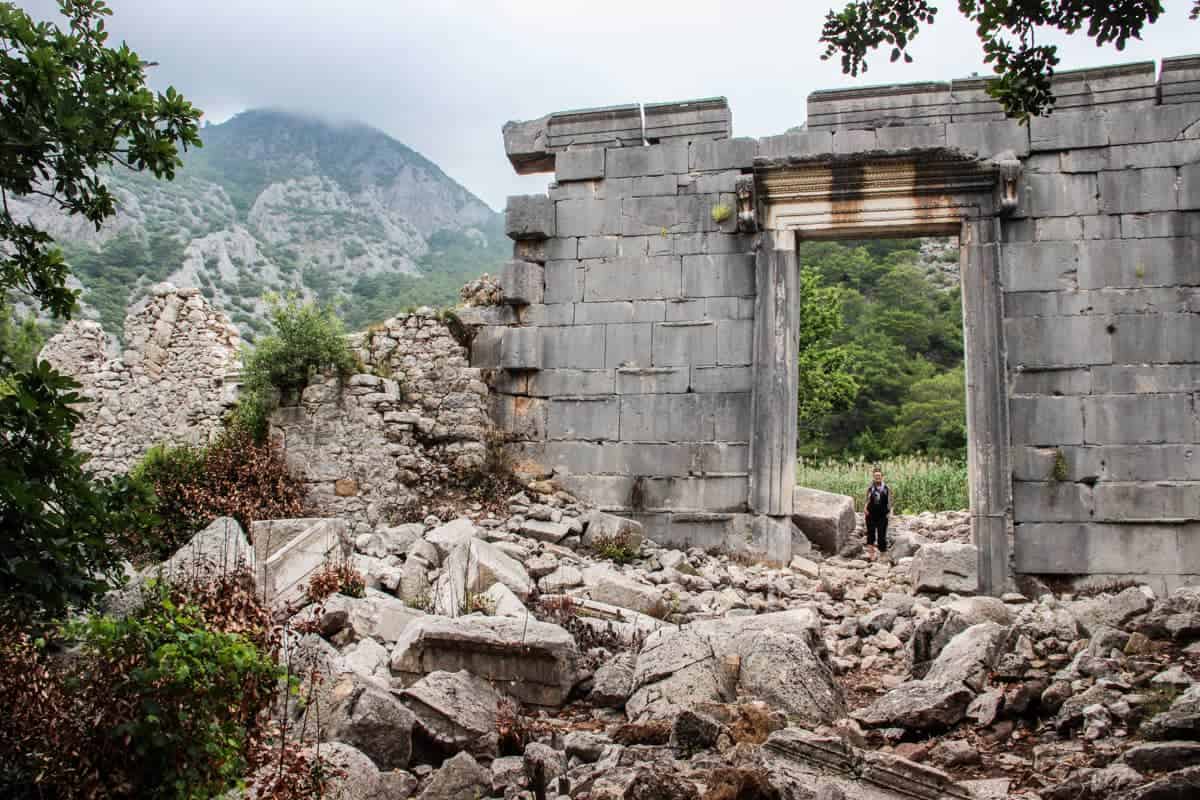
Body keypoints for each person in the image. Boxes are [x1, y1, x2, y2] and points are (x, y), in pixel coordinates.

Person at [864, 467, 891, 558]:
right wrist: (865, 509)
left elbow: (890, 501)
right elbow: (867, 499)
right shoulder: (870, 488)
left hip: (882, 515)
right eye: (876, 476)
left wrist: (890, 512)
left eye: (879, 476)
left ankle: (883, 555)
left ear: (882, 477)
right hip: (871, 514)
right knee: (870, 535)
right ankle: (871, 555)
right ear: (873, 477)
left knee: (881, 535)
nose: (877, 477)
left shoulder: (886, 488)